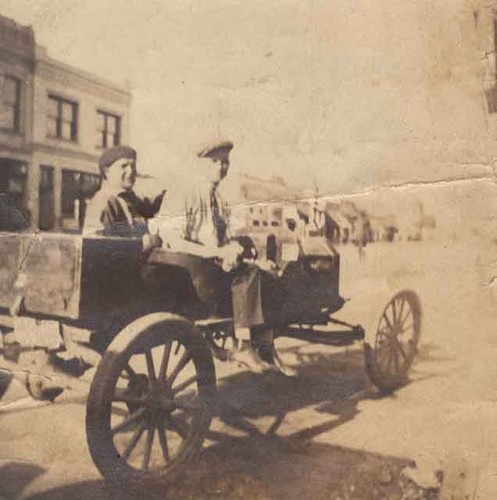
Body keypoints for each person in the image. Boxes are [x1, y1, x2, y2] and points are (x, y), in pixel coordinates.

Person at [156, 140, 296, 376]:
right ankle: (244, 344)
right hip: (190, 278)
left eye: (225, 163)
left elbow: (224, 238)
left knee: (266, 273)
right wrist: (218, 253)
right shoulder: (184, 193)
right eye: (215, 161)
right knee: (251, 275)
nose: (221, 167)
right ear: (200, 164)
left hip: (209, 270)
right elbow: (174, 241)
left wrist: (230, 250)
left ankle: (266, 347)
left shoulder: (218, 199)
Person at [83, 145, 164, 253]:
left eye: (133, 166)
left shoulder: (128, 199)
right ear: (107, 171)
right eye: (123, 166)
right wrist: (146, 243)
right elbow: (94, 249)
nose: (131, 171)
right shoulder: (102, 202)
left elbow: (149, 205)